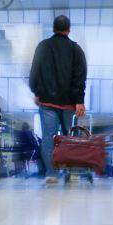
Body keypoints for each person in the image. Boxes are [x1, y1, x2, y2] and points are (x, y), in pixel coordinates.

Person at [29, 15, 87, 185]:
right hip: (69, 103)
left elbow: (34, 72)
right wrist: (79, 100)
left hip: (47, 102)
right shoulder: (76, 50)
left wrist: (36, 91)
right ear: (68, 29)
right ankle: (71, 172)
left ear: (54, 28)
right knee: (69, 137)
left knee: (48, 138)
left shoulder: (43, 47)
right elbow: (80, 77)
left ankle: (52, 174)